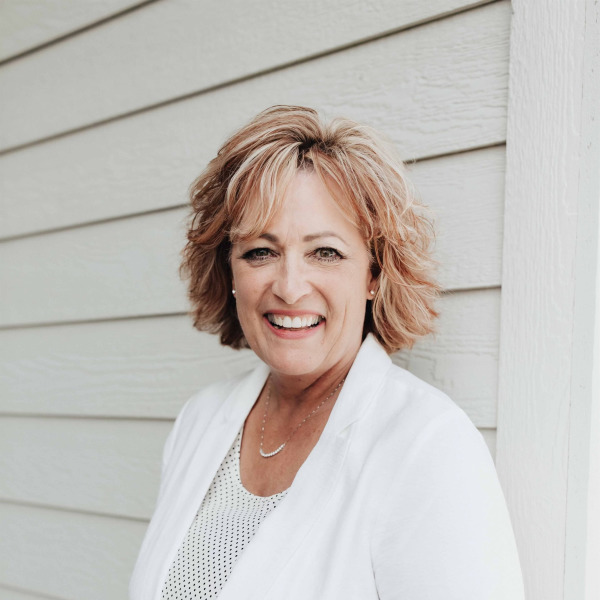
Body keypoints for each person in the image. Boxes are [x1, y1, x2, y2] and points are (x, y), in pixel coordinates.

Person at [129, 105, 524, 599]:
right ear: (229, 271)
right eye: (260, 252)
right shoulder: (200, 420)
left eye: (325, 252)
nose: (290, 287)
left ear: (374, 274)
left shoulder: (427, 445)